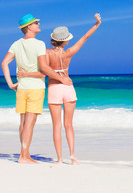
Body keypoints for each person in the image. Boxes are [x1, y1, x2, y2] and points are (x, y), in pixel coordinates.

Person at [18, 13, 101, 164]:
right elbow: (84, 38)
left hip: (53, 89)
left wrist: (24, 73)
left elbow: (42, 70)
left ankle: (59, 159)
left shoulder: (46, 53)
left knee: (56, 126)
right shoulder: (69, 53)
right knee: (68, 125)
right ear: (65, 41)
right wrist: (96, 24)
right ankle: (73, 156)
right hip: (68, 87)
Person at [1, 13, 72, 164]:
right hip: (35, 87)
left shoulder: (16, 44)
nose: (38, 24)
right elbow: (45, 68)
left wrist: (10, 83)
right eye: (36, 23)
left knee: (23, 122)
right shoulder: (39, 44)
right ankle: (24, 156)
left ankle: (25, 154)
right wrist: (61, 79)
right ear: (28, 27)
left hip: (21, 87)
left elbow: (4, 63)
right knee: (30, 122)